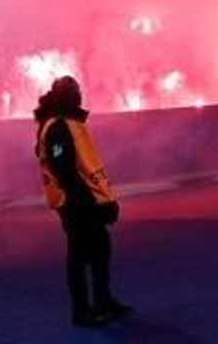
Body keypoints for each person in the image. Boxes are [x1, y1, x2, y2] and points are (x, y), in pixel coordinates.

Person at [34, 76, 132, 327]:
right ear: (63, 96)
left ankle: (101, 300)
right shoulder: (58, 126)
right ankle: (83, 310)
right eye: (74, 91)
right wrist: (91, 204)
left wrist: (105, 200)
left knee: (99, 247)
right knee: (80, 254)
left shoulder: (69, 122)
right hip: (75, 202)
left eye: (78, 90)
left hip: (84, 199)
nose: (79, 95)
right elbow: (64, 170)